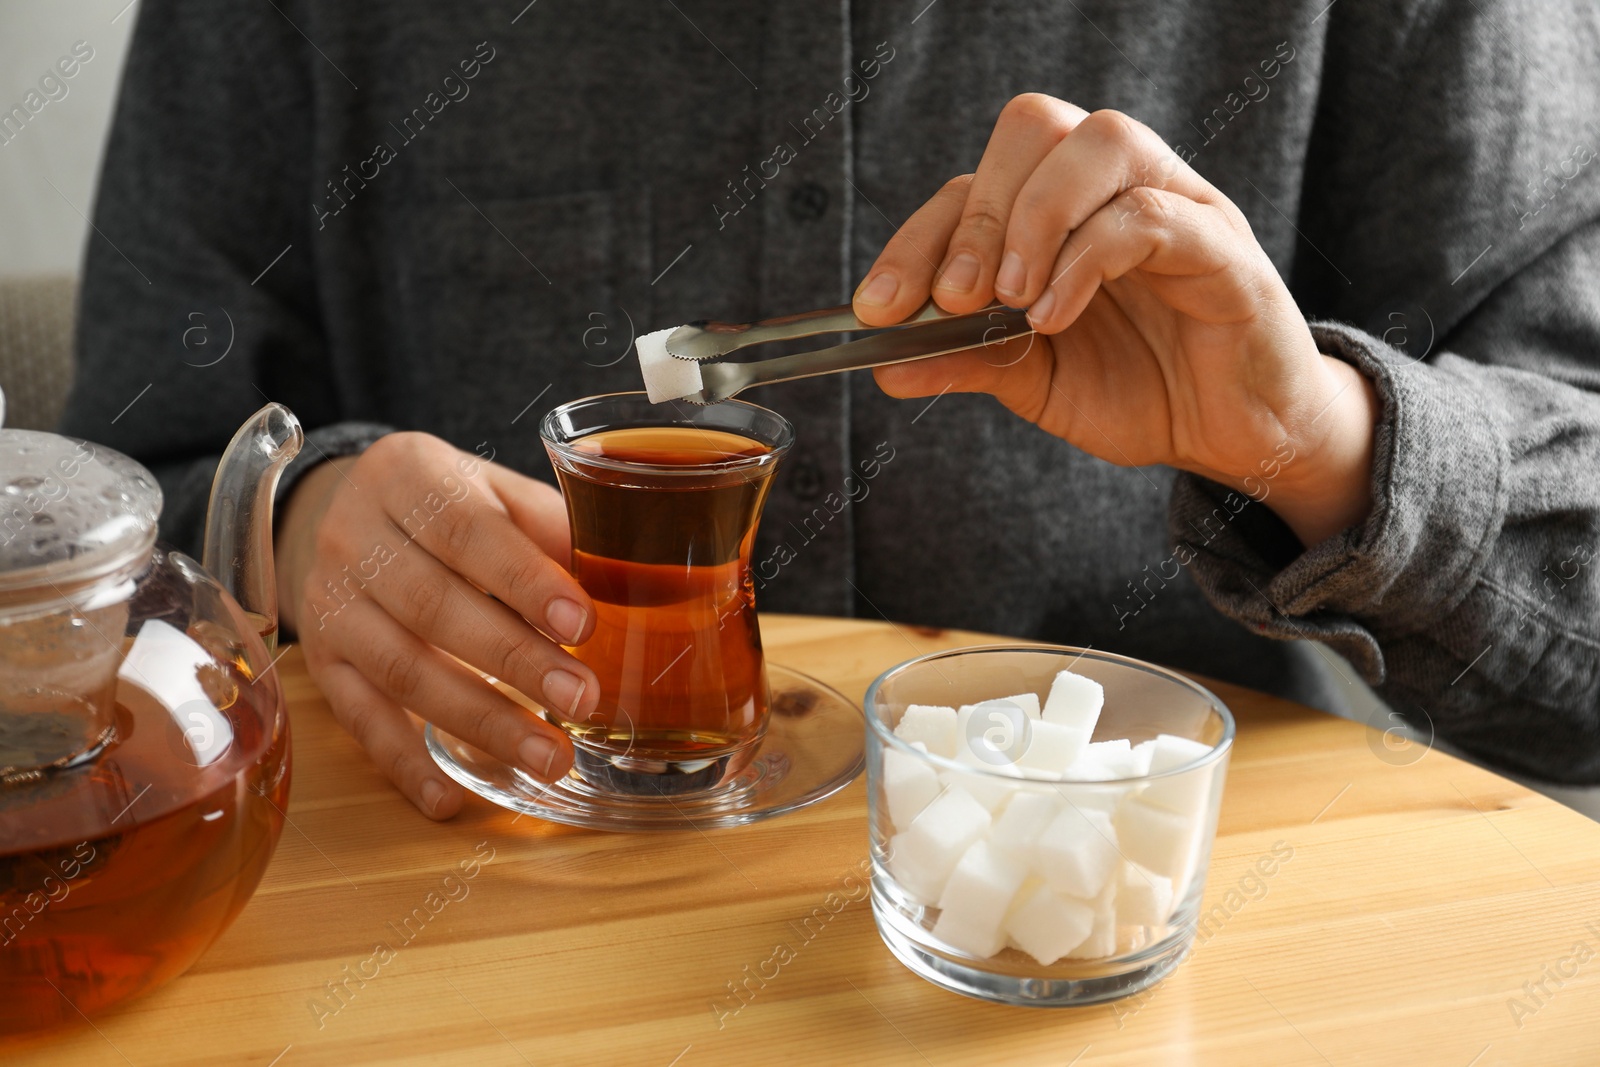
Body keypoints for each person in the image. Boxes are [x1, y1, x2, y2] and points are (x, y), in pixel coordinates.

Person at [62, 0, 1600, 819]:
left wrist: (1316, 444)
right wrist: (300, 523)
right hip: (477, 936)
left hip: (1155, 937)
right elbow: (117, 493)